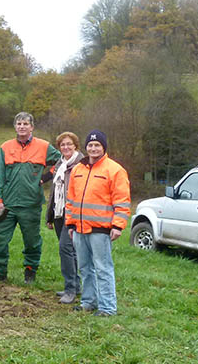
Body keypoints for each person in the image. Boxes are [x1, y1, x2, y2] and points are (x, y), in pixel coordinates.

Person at [0, 112, 61, 284]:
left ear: (32, 127)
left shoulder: (43, 146)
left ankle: (30, 270)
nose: (22, 126)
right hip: (8, 204)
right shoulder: (6, 147)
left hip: (31, 204)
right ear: (15, 126)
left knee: (32, 240)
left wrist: (45, 177)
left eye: (25, 124)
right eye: (19, 123)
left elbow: (61, 162)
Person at [66, 129, 130, 317]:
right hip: (79, 228)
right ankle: (88, 302)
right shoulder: (78, 169)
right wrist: (70, 224)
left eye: (97, 145)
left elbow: (122, 201)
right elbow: (71, 200)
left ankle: (108, 307)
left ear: (103, 147)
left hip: (101, 230)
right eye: (90, 145)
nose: (93, 148)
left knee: (103, 268)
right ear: (86, 147)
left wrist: (118, 225)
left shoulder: (115, 170)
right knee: (85, 268)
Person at [45, 132, 84, 304]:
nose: (66, 147)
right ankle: (75, 286)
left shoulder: (81, 164)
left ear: (76, 145)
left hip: (73, 214)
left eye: (69, 144)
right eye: (62, 145)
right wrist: (50, 216)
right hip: (59, 213)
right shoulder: (60, 163)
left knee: (65, 249)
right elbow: (55, 192)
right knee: (71, 252)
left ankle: (70, 290)